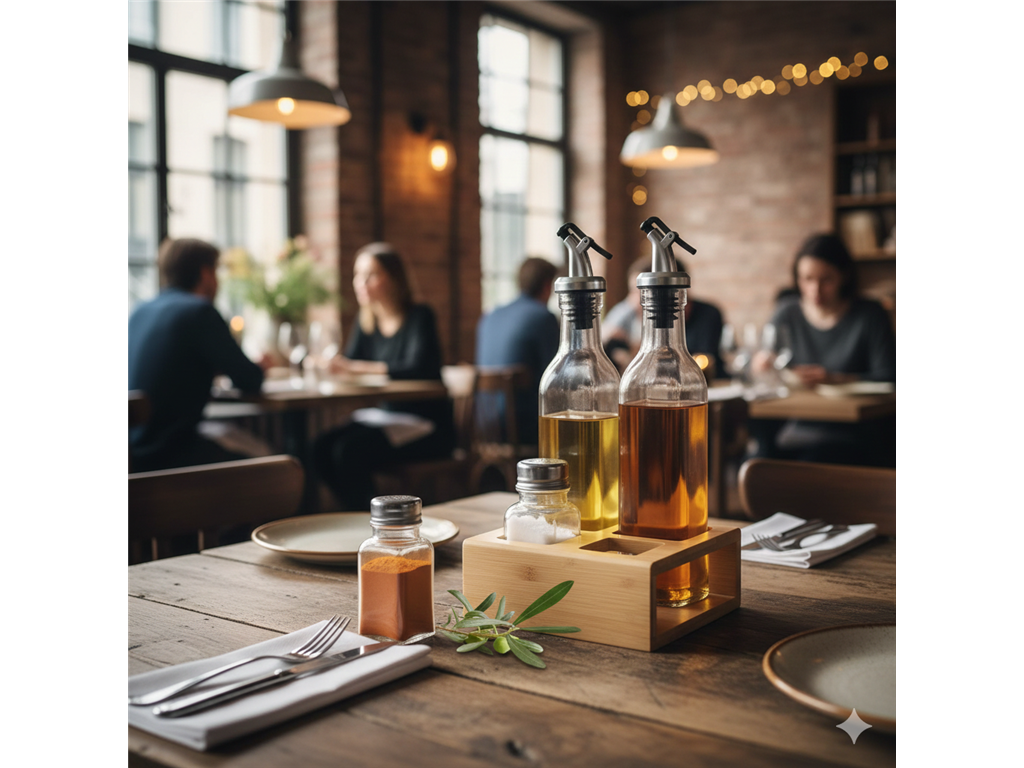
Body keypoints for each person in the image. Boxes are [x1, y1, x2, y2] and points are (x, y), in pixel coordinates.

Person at [312, 243, 454, 511]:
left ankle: (374, 523)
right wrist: (334, 367)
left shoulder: (419, 316)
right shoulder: (366, 322)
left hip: (427, 425)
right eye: (357, 275)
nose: (360, 283)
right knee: (320, 448)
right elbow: (350, 365)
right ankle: (352, 515)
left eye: (371, 275)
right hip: (386, 418)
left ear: (394, 278)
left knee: (347, 451)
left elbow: (419, 368)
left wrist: (354, 368)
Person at [750, 233, 896, 466]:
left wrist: (835, 379)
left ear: (844, 276)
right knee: (758, 460)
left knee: (817, 460)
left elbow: (889, 376)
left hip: (855, 432)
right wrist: (761, 366)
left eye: (826, 279)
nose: (815, 289)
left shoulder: (870, 315)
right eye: (807, 279)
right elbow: (765, 363)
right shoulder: (786, 312)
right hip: (796, 424)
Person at [129, 238, 267, 473]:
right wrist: (260, 366)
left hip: (132, 452)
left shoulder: (140, 311)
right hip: (170, 454)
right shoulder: (200, 312)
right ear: (206, 274)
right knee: (272, 460)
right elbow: (250, 379)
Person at [475, 257, 560, 445]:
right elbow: (557, 378)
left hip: (484, 424)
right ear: (547, 286)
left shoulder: (490, 316)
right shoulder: (543, 317)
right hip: (523, 427)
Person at [602, 255, 725, 378]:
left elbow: (698, 361)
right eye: (634, 291)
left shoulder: (708, 314)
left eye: (640, 291)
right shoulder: (631, 313)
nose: (635, 299)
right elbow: (606, 334)